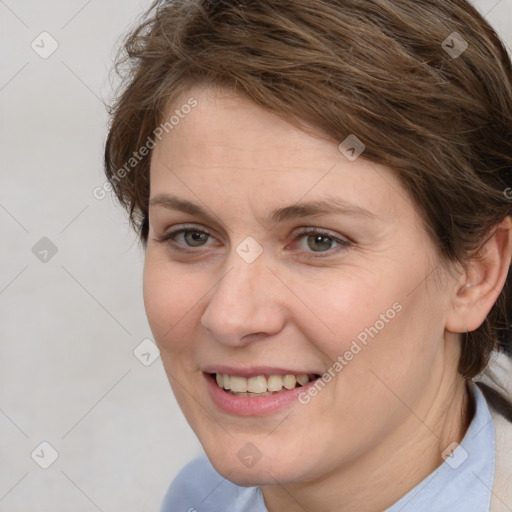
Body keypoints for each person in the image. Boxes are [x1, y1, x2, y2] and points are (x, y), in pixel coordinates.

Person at [104, 0, 512, 510]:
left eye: (319, 240)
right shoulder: (200, 498)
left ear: (475, 274)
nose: (230, 317)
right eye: (192, 236)